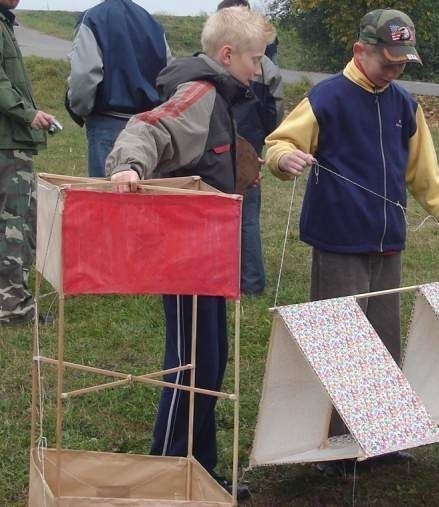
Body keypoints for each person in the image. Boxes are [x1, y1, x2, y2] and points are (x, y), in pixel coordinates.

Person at [264, 8, 439, 474]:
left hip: (387, 244)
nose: (395, 69)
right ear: (361, 51)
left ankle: (380, 434)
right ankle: (335, 443)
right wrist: (285, 159)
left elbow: (424, 174)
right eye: (388, 61)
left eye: (402, 63)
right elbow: (278, 143)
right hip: (339, 242)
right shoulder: (328, 98)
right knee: (340, 341)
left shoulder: (405, 105)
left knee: (381, 339)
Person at [106, 6, 275, 498]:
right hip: (183, 255)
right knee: (191, 366)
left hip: (209, 256)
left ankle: (200, 473)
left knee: (211, 361)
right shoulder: (199, 92)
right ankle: (166, 478)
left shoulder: (221, 95)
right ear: (228, 54)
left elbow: (210, 155)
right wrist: (129, 166)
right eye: (254, 59)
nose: (258, 69)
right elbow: (149, 126)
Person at [217, 0, 283, 296]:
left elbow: (275, 113)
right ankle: (246, 283)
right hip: (235, 148)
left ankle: (246, 282)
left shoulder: (259, 65)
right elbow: (275, 113)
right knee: (244, 217)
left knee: (239, 217)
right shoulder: (266, 65)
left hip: (238, 151)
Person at [66, 0, 171, 177]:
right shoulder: (153, 24)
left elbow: (84, 75)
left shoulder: (93, 18)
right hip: (147, 128)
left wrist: (80, 109)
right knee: (145, 198)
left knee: (107, 199)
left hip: (108, 124)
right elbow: (168, 75)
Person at [0, 0, 57, 325]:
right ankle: (14, 309)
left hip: (8, 140)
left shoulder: (5, 23)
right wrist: (28, 113)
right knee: (15, 225)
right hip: (8, 143)